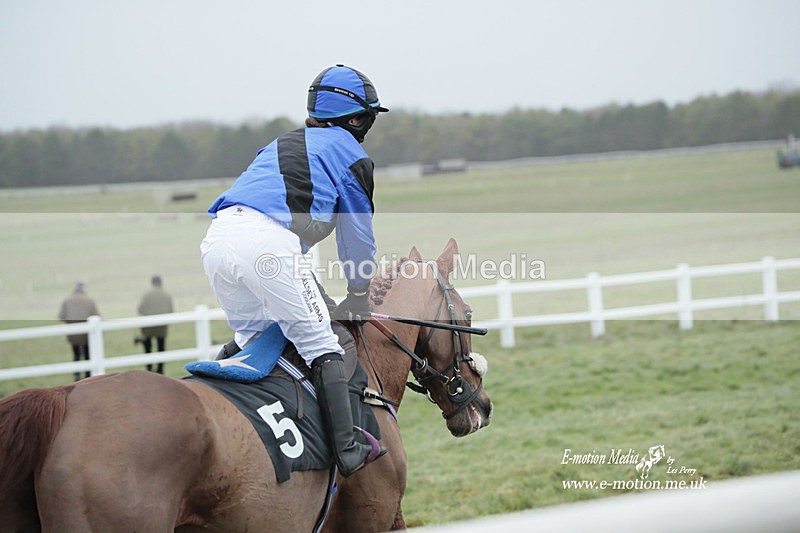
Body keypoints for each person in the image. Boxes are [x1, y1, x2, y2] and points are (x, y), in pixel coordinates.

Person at [201, 64, 388, 477]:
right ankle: (348, 450)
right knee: (325, 345)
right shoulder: (351, 153)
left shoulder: (280, 142)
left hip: (218, 239)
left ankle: (228, 415)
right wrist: (357, 294)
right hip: (268, 245)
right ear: (357, 119)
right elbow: (357, 237)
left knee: (255, 340)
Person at [58, 282, 99, 381]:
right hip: (86, 334)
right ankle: (88, 376)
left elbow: (61, 316)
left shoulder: (67, 300)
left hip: (73, 334)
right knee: (87, 355)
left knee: (76, 354)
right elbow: (96, 316)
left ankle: (76, 375)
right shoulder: (90, 300)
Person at [136, 275, 174, 374]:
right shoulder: (166, 295)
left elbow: (140, 309)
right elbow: (171, 310)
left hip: (148, 326)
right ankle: (160, 369)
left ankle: (149, 369)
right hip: (162, 326)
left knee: (148, 348)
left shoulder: (146, 295)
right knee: (161, 347)